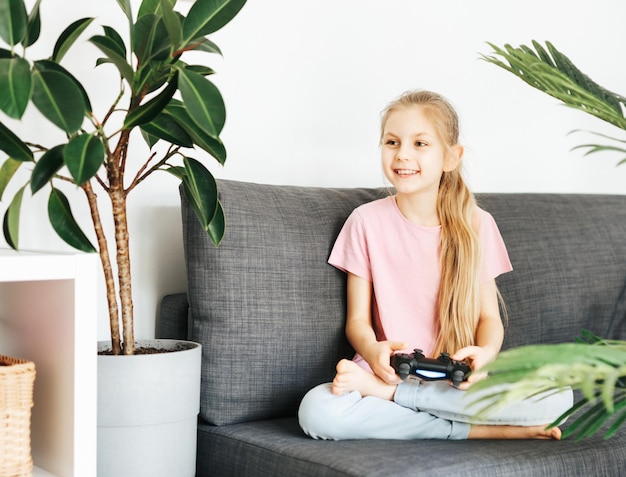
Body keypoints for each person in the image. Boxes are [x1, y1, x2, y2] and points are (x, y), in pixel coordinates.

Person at [298, 90, 572, 441]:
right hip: (385, 374)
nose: (403, 155)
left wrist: (485, 354)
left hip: (450, 383)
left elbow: (489, 318)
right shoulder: (364, 222)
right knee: (317, 410)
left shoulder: (477, 224)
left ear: (451, 157)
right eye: (392, 142)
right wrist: (373, 351)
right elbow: (357, 322)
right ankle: (477, 430)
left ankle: (401, 400)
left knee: (558, 398)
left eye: (420, 144)